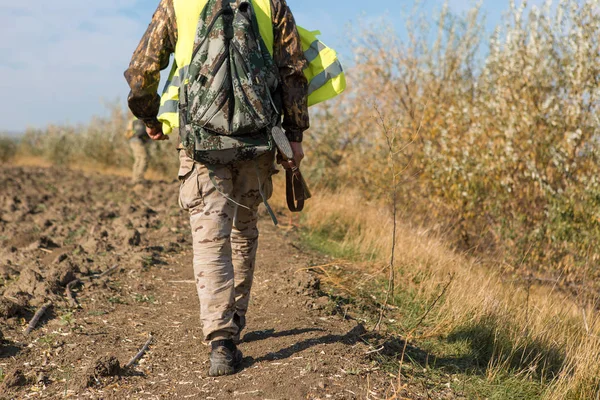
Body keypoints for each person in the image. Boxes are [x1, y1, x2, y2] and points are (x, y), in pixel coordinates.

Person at [124, 0, 309, 376]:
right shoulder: (270, 4)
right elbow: (292, 71)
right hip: (257, 140)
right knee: (244, 230)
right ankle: (235, 320)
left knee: (209, 238)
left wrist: (148, 116)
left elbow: (142, 69)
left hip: (202, 142)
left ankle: (221, 340)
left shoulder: (176, 4)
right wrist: (295, 135)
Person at [125, 117, 150, 185]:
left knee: (138, 159)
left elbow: (128, 132)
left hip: (132, 141)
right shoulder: (143, 117)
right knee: (144, 158)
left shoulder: (133, 119)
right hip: (138, 141)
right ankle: (139, 178)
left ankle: (135, 178)